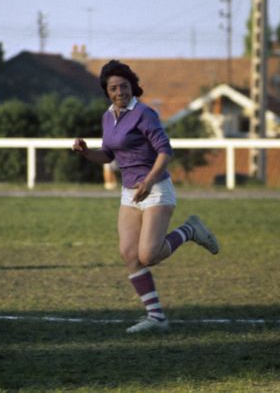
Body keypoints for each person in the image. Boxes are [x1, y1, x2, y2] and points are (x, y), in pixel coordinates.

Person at [72, 60, 220, 333]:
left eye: (124, 86)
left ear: (132, 87)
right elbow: (107, 155)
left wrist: (149, 182)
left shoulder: (144, 114)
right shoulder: (108, 117)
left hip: (156, 189)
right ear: (107, 91)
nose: (120, 92)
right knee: (129, 254)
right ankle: (157, 318)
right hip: (130, 192)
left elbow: (165, 151)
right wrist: (84, 152)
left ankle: (190, 230)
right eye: (114, 88)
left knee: (149, 254)